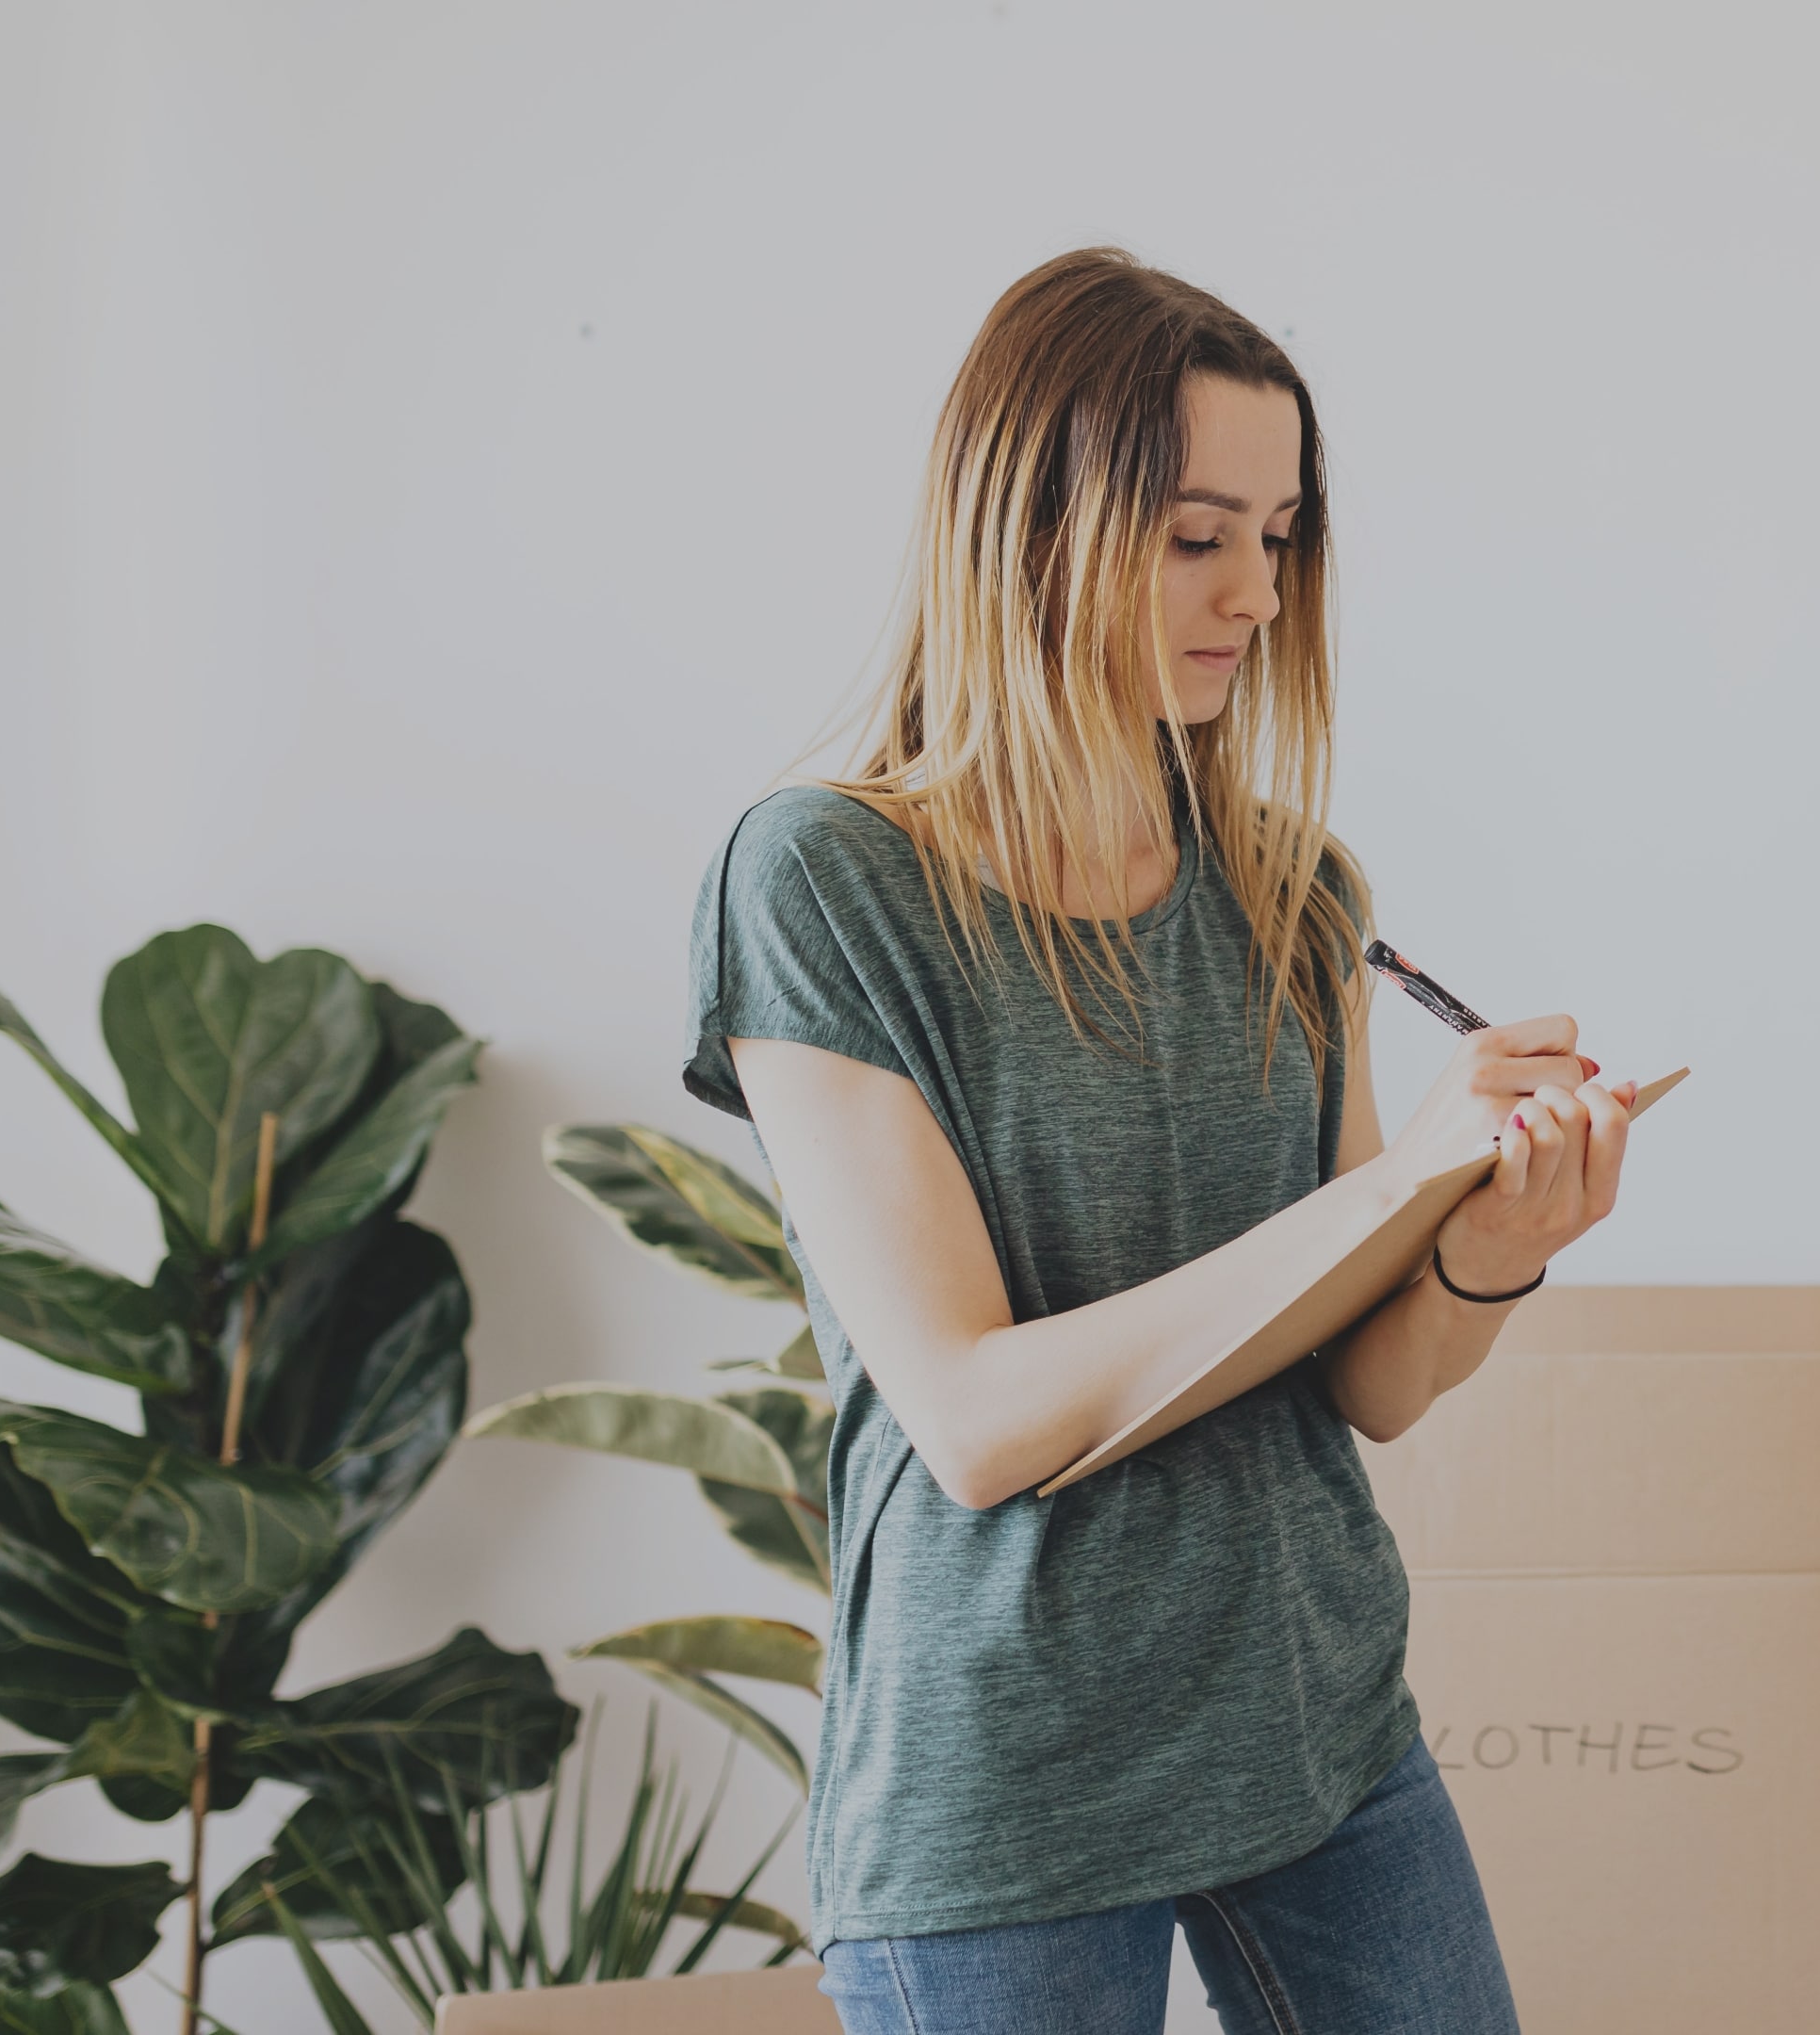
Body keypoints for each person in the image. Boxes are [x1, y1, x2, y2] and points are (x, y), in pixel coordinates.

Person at [685, 247, 1631, 2034]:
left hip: (1311, 1716)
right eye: (1200, 536)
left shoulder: (1293, 890)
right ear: (1028, 526)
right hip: (1010, 1771)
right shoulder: (823, 878)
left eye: (1280, 538)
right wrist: (1393, 1184)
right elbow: (972, 1423)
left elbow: (1363, 1386)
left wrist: (1485, 1247)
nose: (1257, 594)